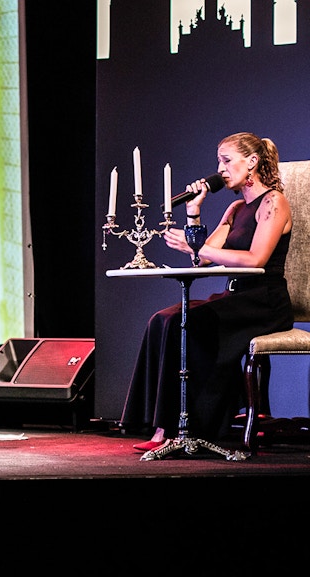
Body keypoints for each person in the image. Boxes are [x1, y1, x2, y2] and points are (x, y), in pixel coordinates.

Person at [120, 132, 294, 452]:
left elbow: (256, 259)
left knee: (187, 324)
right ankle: (164, 426)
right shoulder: (235, 208)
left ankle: (194, 426)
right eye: (219, 161)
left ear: (252, 162)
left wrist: (196, 247)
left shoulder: (274, 202)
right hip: (236, 297)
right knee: (164, 319)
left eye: (227, 161)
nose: (220, 169)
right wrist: (194, 210)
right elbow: (201, 255)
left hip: (264, 301)